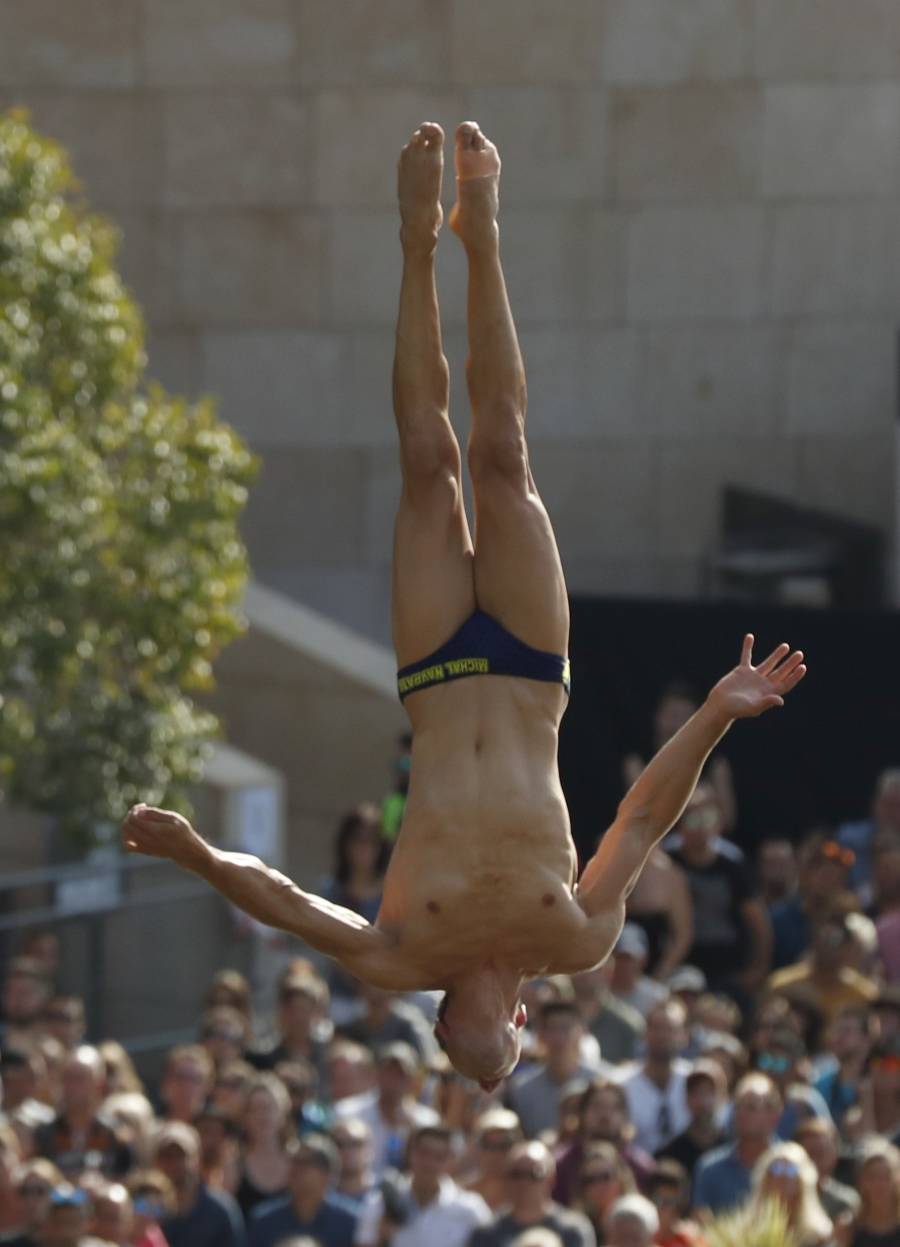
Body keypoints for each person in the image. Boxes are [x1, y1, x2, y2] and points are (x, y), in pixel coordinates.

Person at [122, 120, 807, 1089]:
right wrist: (715, 713)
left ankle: (415, 245)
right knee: (502, 453)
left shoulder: (400, 957)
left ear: (439, 1031)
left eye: (458, 1053)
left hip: (437, 670)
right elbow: (642, 819)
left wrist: (197, 852)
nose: (475, 1051)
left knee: (427, 459)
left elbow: (285, 902)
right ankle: (481, 235)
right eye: (498, 1055)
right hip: (529, 667)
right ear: (521, 1018)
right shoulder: (573, 938)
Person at [667, 785, 772, 1006]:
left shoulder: (733, 865)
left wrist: (758, 968)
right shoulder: (667, 861)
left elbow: (759, 922)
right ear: (678, 823)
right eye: (692, 820)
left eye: (708, 818)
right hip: (681, 965)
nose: (701, 828)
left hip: (727, 967)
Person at [356, 1124, 490, 1247]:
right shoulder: (381, 1202)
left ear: (451, 1161)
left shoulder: (470, 1208)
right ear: (409, 1153)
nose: (429, 1162)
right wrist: (381, 1238)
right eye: (423, 1153)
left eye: (439, 1157)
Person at [331, 1042, 438, 1178]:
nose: (393, 1080)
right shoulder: (347, 1112)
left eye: (400, 1074)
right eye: (388, 1072)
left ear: (413, 1080)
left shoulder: (426, 1121)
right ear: (376, 1074)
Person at [508, 1001, 607, 1139]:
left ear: (583, 1032)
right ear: (540, 1035)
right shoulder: (521, 1089)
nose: (560, 1037)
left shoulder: (602, 1082)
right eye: (552, 1029)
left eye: (566, 1028)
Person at [469, 1140, 596, 1247]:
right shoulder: (487, 1234)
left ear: (551, 1180)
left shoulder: (572, 1230)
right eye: (516, 1174)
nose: (524, 1182)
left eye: (535, 1174)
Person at [34, 1045, 133, 1179]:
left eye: (80, 1078)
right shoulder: (44, 1135)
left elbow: (127, 1180)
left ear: (99, 1084)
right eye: (67, 1077)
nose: (71, 1086)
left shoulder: (115, 1135)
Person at [693, 1073, 782, 1214]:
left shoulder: (790, 1168)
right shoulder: (710, 1169)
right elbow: (701, 1218)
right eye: (737, 1106)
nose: (742, 1113)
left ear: (774, 1114)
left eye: (752, 1107)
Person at [246, 1135, 355, 1247]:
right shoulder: (265, 1221)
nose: (295, 1169)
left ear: (327, 1174)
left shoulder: (350, 1222)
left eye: (305, 1163)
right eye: (293, 1162)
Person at [616, 999, 691, 1155]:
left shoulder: (695, 1080)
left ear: (684, 1035)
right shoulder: (621, 1084)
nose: (663, 1036)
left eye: (670, 1029)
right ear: (645, 1034)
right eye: (657, 1028)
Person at [152, 1121, 246, 1247]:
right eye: (166, 1156)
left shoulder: (220, 1210)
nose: (173, 1163)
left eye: (181, 1155)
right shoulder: (144, 1209)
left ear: (197, 1159)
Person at [624, 849, 693, 981]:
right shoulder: (610, 863)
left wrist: (660, 973)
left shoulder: (670, 874)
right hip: (614, 975)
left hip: (658, 972)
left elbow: (683, 935)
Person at [748, 1141, 832, 1247]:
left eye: (791, 1170)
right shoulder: (748, 1230)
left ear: (802, 1180)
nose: (782, 1177)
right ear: (765, 1178)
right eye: (776, 1168)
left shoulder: (819, 1235)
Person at [837, 768, 900, 906]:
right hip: (853, 906)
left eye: (898, 806)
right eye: (888, 804)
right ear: (875, 804)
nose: (892, 813)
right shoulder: (849, 839)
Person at [655, 1060, 728, 1178]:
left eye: (709, 1092)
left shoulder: (735, 1150)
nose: (702, 1100)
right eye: (696, 1092)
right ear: (686, 1098)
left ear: (722, 1097)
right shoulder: (669, 1156)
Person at [234, 1074, 292, 1219]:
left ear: (282, 1113)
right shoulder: (234, 1164)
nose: (262, 1116)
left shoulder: (297, 1160)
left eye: (268, 1108)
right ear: (245, 1116)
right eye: (255, 1109)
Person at [570, 964, 645, 1067]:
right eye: (578, 968)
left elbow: (636, 1066)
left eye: (593, 969)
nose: (584, 973)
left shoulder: (628, 1023)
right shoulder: (553, 1017)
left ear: (607, 973)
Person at [793, 1116, 860, 1228]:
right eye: (810, 1153)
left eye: (822, 1153)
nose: (815, 1161)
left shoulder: (846, 1203)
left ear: (835, 1156)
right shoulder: (783, 1198)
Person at [572, 1143, 635, 1244]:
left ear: (621, 1177)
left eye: (606, 1176)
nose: (599, 1185)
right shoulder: (578, 1228)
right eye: (591, 1180)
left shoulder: (637, 1220)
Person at [464, 1109, 524, 1212]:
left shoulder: (528, 1194)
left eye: (504, 1145)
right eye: (488, 1145)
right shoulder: (464, 1194)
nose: (496, 1153)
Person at [606, 928, 668, 1019]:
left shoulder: (657, 998)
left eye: (629, 959)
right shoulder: (598, 991)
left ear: (643, 960)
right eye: (620, 958)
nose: (624, 965)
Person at [848, 1141, 900, 1247]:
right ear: (861, 1181)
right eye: (872, 1176)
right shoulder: (849, 1228)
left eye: (886, 1176)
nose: (879, 1184)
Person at [646, 1162, 705, 1247]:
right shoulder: (637, 1239)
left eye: (668, 1202)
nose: (660, 1207)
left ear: (679, 1205)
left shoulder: (692, 1240)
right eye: (656, 1200)